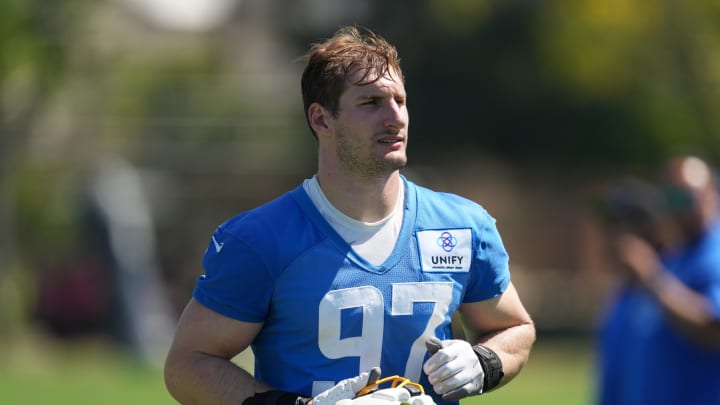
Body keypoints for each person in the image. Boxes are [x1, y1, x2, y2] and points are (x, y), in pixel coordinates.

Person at [164, 26, 535, 405]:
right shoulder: (260, 239)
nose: (395, 118)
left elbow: (515, 328)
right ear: (321, 120)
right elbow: (189, 365)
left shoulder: (461, 226)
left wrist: (483, 361)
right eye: (371, 103)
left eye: (400, 100)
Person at [597, 155, 720, 405]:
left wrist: (652, 276)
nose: (677, 207)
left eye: (685, 198)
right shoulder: (676, 257)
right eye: (671, 199)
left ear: (711, 196)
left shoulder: (713, 254)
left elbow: (713, 329)